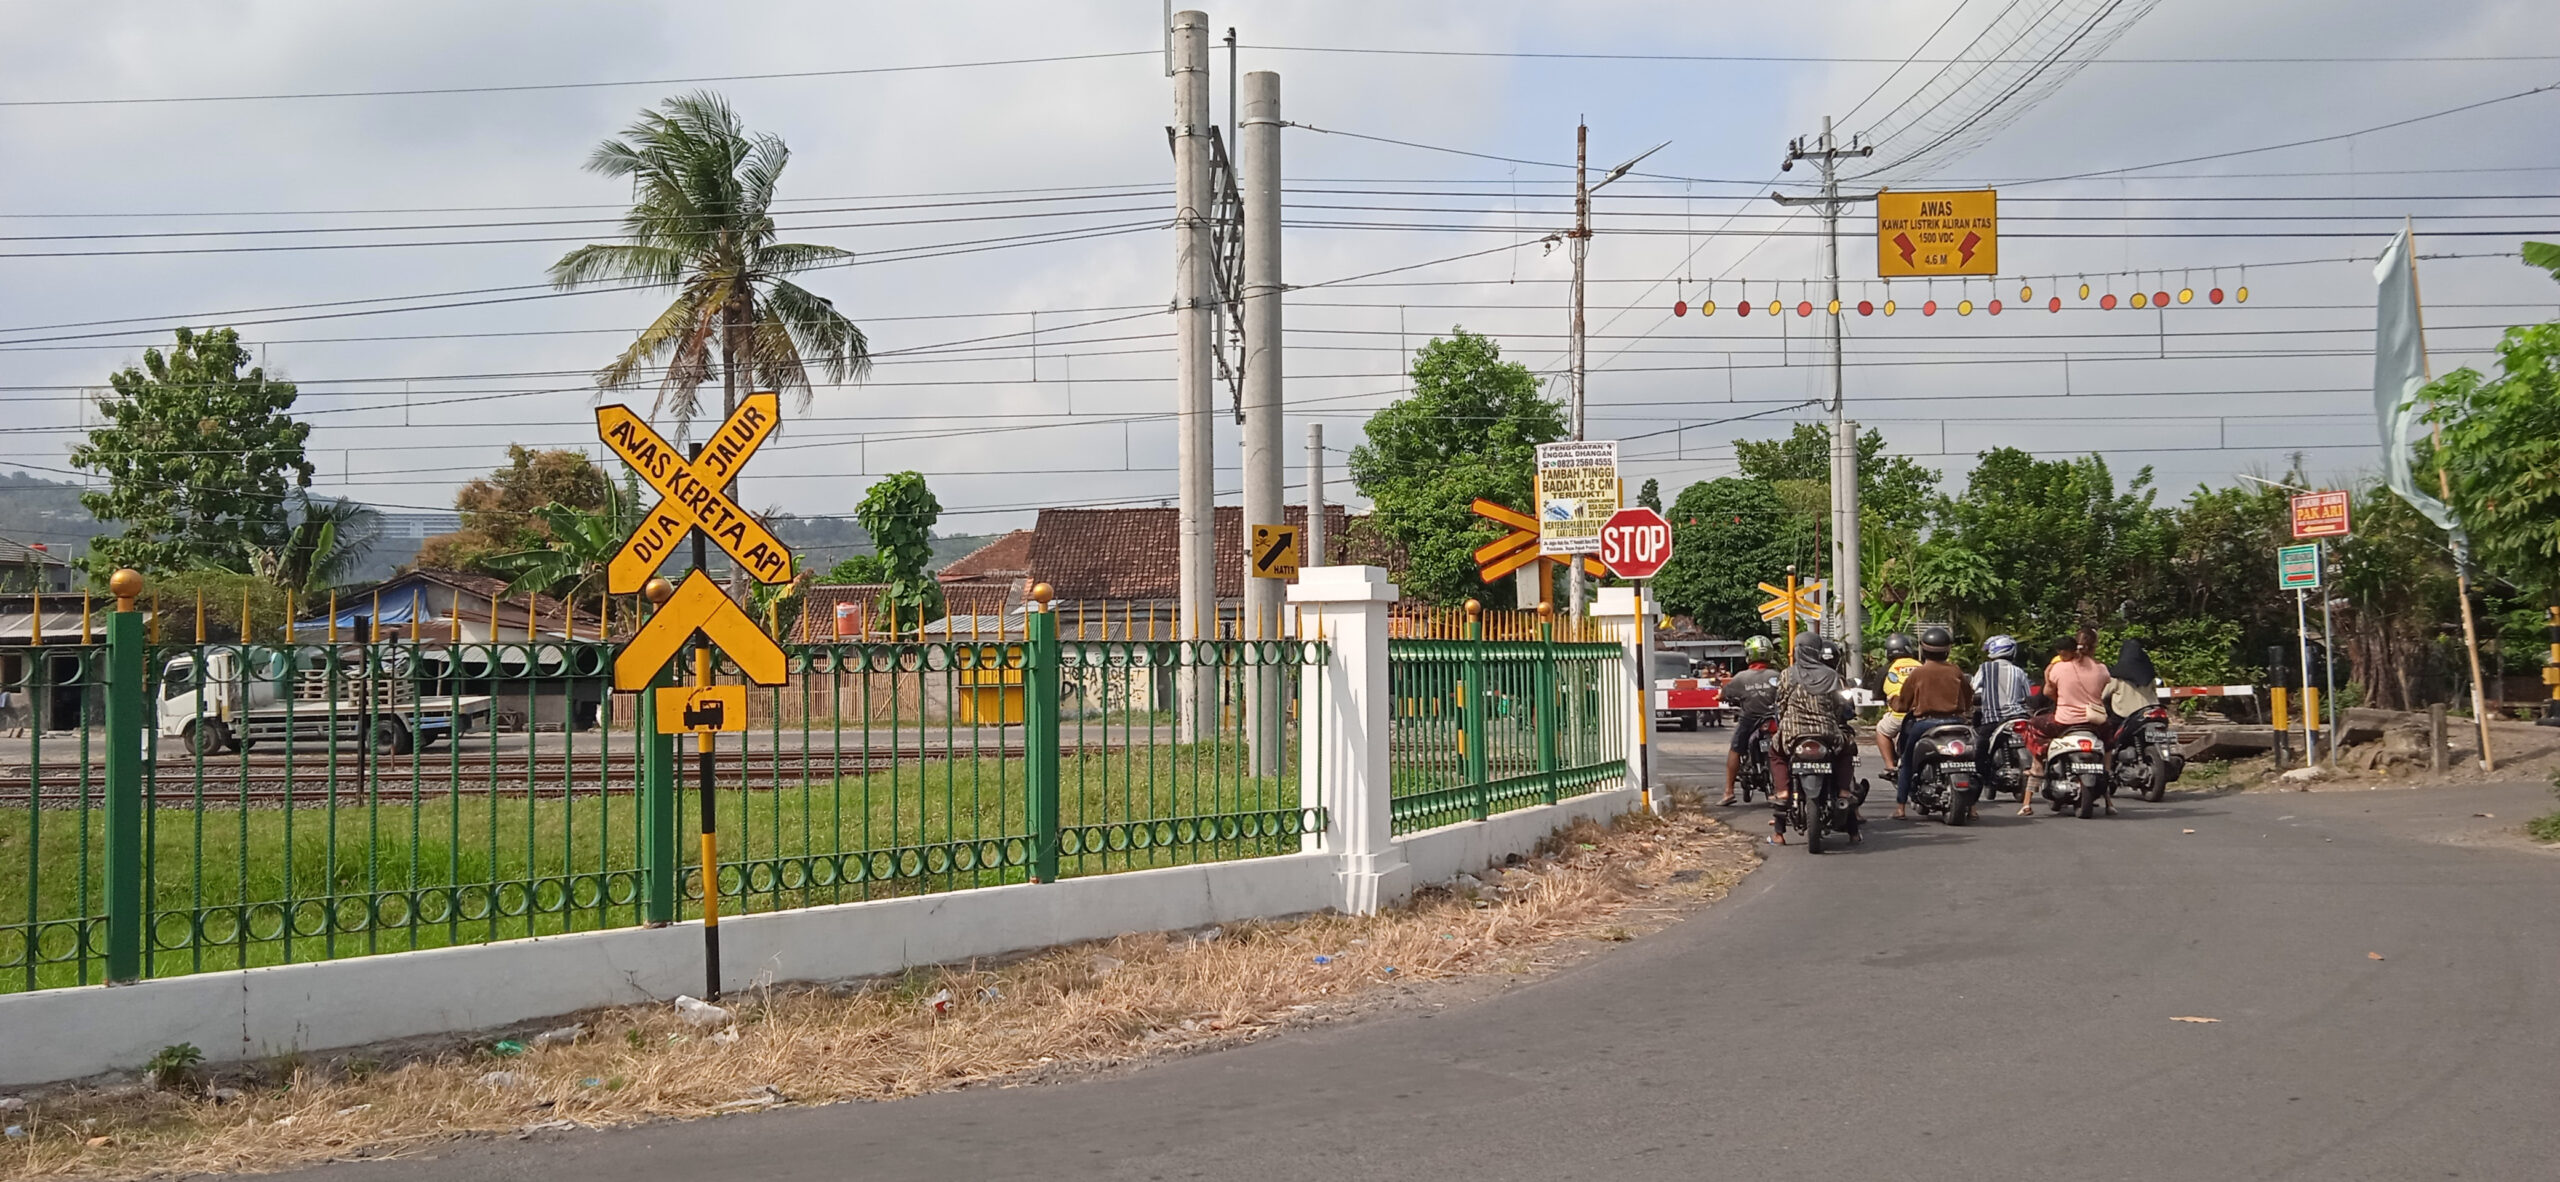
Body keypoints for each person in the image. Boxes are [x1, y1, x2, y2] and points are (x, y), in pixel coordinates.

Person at [1769, 637, 1861, 845]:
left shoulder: (1786, 675)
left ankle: (1782, 793)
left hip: (1793, 733)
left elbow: (1781, 704)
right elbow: (1839, 706)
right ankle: (1844, 791)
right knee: (1847, 750)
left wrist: (1786, 722)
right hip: (1826, 732)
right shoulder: (1832, 675)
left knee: (1776, 753)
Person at [1890, 625, 1976, 819]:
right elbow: (1968, 696)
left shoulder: (1918, 673)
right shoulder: (1955, 670)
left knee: (1906, 761)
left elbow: (1903, 704)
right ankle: (1972, 808)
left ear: (1923, 649)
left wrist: (1892, 701)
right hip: (1957, 722)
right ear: (1948, 650)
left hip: (1926, 724)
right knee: (1971, 759)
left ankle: (1900, 808)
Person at [2027, 626, 2114, 815]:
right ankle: (2107, 770)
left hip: (2064, 721)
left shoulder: (2058, 667)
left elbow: (2048, 692)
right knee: (2108, 741)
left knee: (2033, 725)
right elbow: (2105, 686)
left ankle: (2040, 764)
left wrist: (2063, 699)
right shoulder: (2101, 669)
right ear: (2095, 646)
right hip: (2095, 723)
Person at [1718, 635, 1780, 806]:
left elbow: (1723, 694)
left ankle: (1729, 791)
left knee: (1736, 749)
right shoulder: (1777, 676)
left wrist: (1720, 696)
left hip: (1749, 720)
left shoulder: (1741, 677)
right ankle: (1785, 790)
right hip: (1774, 719)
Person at [1972, 634, 2034, 797]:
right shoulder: (2019, 671)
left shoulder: (1985, 668)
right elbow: (2028, 696)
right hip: (2019, 716)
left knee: (1980, 750)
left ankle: (1985, 779)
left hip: (1994, 719)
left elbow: (1972, 689)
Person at [1870, 632, 1922, 786]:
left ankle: (1890, 766)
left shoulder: (1886, 669)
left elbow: (1876, 694)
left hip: (1900, 715)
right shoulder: (1920, 665)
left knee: (1881, 730)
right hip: (1924, 713)